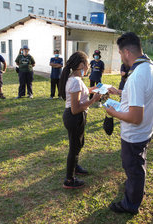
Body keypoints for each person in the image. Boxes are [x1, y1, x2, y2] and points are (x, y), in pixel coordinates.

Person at [104, 32, 153, 214]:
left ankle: (130, 204)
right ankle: (136, 189)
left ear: (127, 52)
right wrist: (121, 93)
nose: (121, 57)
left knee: (133, 168)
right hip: (146, 130)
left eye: (120, 54)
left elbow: (135, 117)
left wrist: (112, 111)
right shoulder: (151, 67)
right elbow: (143, 95)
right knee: (138, 164)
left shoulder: (136, 75)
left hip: (134, 134)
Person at [59, 51, 101, 189]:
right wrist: (93, 101)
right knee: (74, 147)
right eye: (88, 64)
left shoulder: (74, 78)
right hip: (75, 117)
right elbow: (75, 109)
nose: (89, 66)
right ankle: (69, 180)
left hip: (73, 117)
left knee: (78, 144)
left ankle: (75, 167)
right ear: (81, 65)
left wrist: (93, 89)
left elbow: (81, 92)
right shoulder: (76, 81)